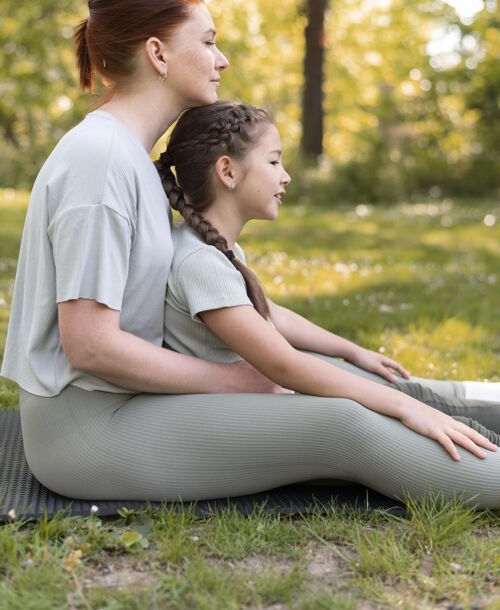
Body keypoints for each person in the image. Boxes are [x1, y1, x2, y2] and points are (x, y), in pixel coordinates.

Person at [1, 0, 498, 509]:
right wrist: (233, 382)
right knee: (341, 422)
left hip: (120, 404)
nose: (223, 58)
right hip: (86, 431)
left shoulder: (127, 157)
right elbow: (91, 345)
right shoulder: (98, 162)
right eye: (209, 40)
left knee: (349, 380)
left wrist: (331, 358)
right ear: (157, 53)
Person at [156, 100, 500, 507]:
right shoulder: (200, 262)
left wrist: (352, 351)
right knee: (393, 410)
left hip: (260, 398)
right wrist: (405, 408)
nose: (285, 177)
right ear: (228, 171)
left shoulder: (209, 247)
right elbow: (286, 366)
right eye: (274, 161)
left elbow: (267, 314)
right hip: (237, 421)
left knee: (391, 386)